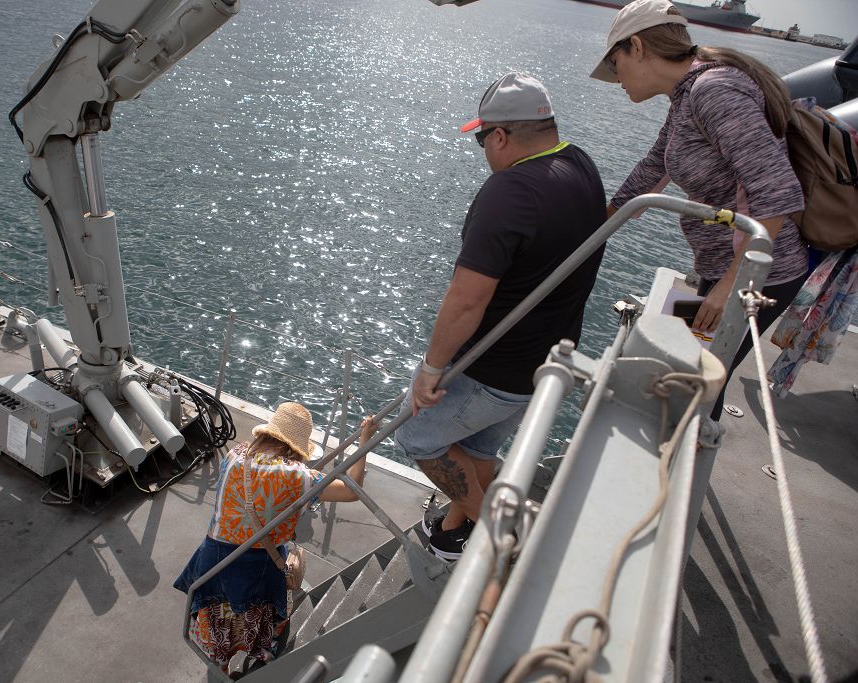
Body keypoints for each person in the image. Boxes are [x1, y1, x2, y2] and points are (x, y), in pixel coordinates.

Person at [394, 72, 607, 560]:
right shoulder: (580, 165)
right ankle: (455, 535)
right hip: (546, 364)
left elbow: (466, 298)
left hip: (492, 371)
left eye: (481, 139)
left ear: (501, 136)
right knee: (478, 449)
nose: (483, 151)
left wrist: (431, 370)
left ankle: (502, 535)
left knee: (417, 435)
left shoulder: (508, 191)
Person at [591, 0, 809, 420]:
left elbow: (778, 193)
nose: (615, 78)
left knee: (693, 386)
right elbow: (653, 169)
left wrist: (730, 288)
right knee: (677, 371)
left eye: (614, 63)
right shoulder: (687, 95)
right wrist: (592, 230)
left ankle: (681, 470)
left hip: (757, 277)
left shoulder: (714, 91)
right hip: (721, 269)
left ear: (637, 46)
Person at [174, 402, 377, 674]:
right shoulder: (298, 477)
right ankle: (260, 653)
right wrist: (365, 439)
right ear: (296, 447)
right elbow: (352, 489)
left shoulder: (234, 456)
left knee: (219, 623)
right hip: (257, 564)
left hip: (214, 558)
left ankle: (221, 668)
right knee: (256, 614)